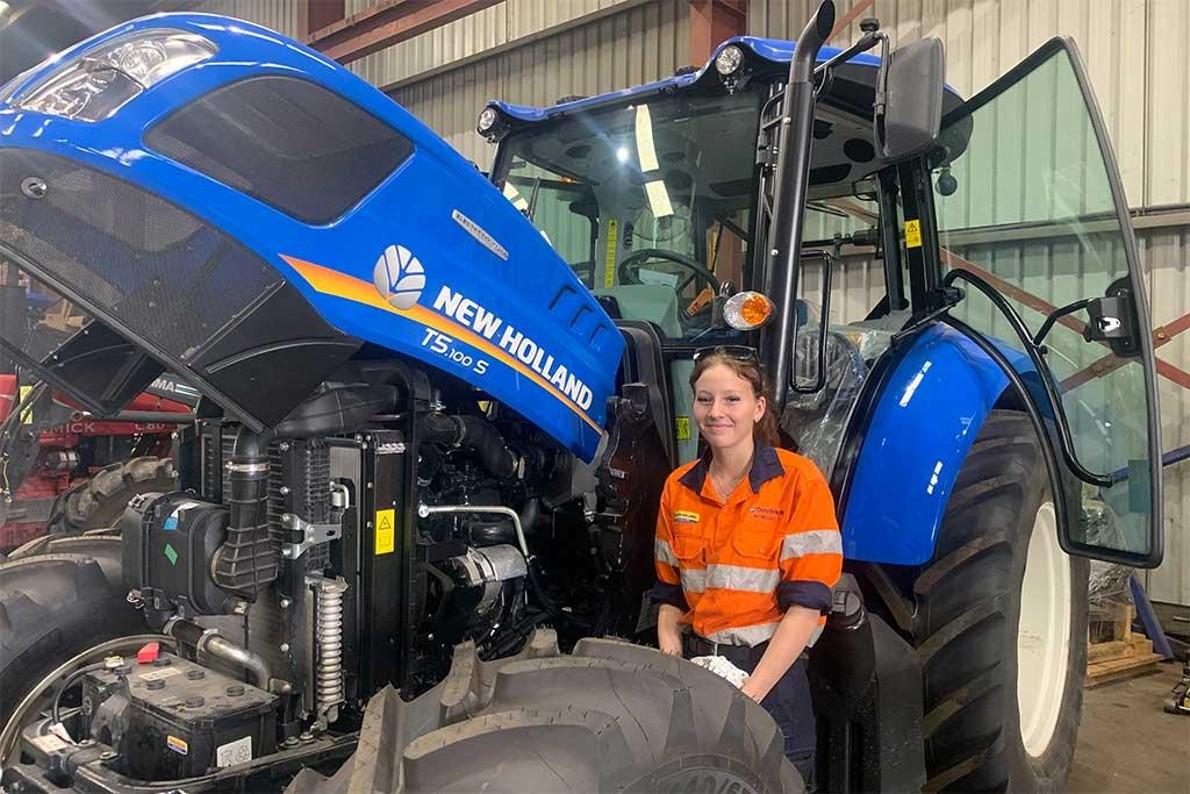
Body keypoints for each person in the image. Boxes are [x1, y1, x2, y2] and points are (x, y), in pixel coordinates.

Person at [652, 345, 842, 786]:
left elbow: (807, 606)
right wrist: (670, 650)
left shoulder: (799, 482)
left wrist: (750, 695)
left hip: (768, 677)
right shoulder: (677, 488)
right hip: (697, 671)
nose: (716, 411)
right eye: (704, 399)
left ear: (758, 408)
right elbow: (669, 593)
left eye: (731, 399)